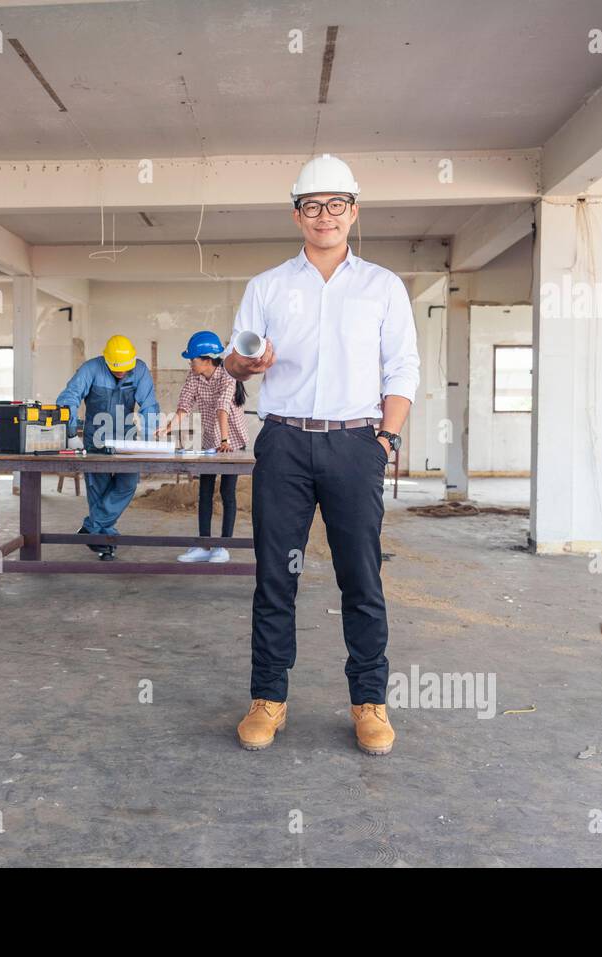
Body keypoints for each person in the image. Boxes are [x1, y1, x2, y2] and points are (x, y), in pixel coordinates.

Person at [223, 154, 420, 756]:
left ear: (353, 212)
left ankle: (369, 703)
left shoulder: (383, 286)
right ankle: (267, 699)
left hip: (357, 442)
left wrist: (384, 439)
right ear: (298, 214)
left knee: (360, 576)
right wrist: (245, 364)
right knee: (275, 576)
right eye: (313, 206)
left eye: (337, 205)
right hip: (283, 440)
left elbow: (402, 367)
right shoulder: (268, 286)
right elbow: (233, 359)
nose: (325, 216)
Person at [56, 335, 160, 561]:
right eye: (117, 369)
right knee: (98, 488)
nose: (122, 373)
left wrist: (150, 436)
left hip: (127, 439)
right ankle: (104, 538)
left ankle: (91, 529)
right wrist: (71, 431)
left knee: (127, 484)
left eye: (125, 369)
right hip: (96, 439)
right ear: (107, 360)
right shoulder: (91, 369)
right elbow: (68, 397)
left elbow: (149, 404)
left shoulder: (139, 370)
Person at [155, 330, 249, 564]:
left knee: (227, 493)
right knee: (205, 491)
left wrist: (225, 441)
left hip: (232, 441)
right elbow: (184, 404)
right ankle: (203, 545)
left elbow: (222, 408)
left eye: (193, 359)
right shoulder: (194, 376)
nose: (190, 363)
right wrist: (169, 427)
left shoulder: (228, 375)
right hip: (210, 442)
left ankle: (223, 546)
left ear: (207, 359)